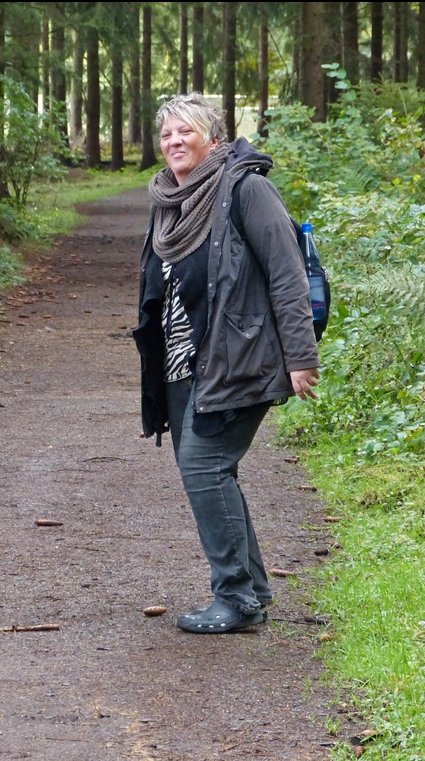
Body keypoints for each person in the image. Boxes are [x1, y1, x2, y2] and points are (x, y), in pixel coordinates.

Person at [133, 93, 320, 634]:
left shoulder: (246, 188)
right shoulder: (170, 200)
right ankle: (252, 589)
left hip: (242, 358)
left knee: (204, 466)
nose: (174, 142)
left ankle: (236, 597)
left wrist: (301, 356)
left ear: (212, 137)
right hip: (184, 364)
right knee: (214, 469)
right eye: (166, 134)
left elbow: (286, 274)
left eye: (185, 132)